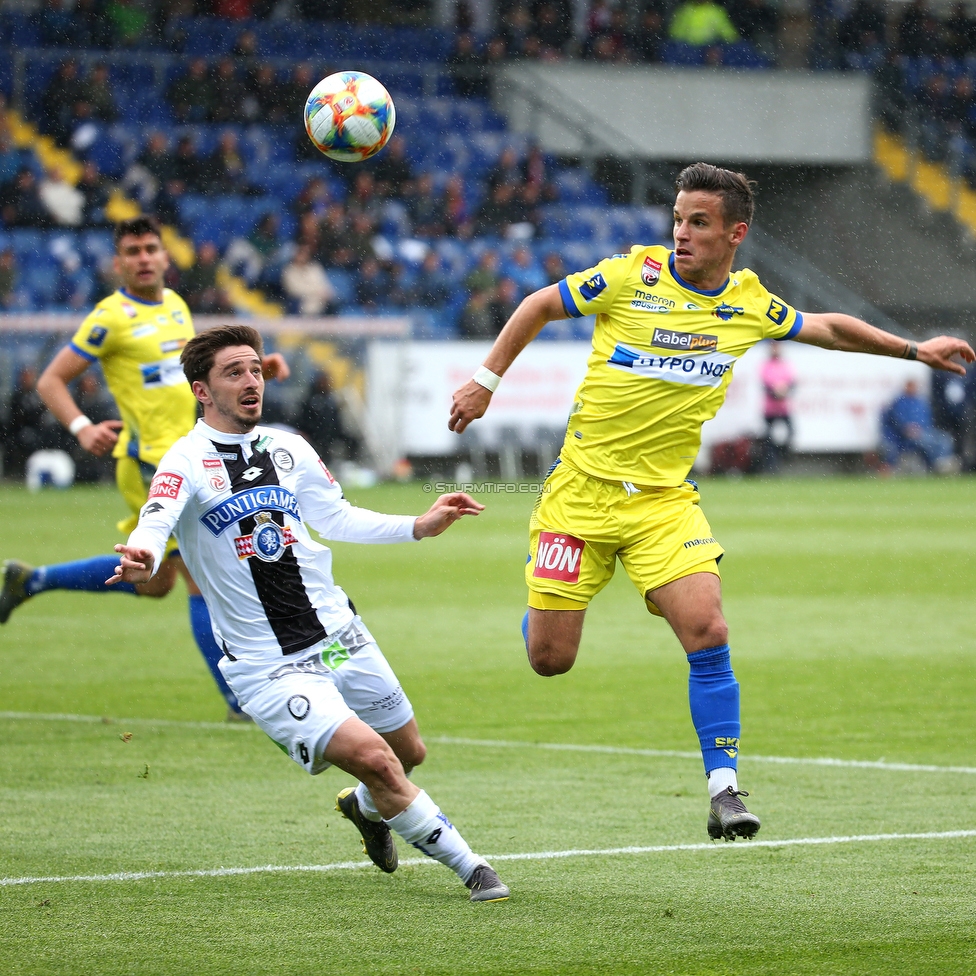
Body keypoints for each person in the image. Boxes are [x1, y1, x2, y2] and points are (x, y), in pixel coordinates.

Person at [449, 162, 975, 841]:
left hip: (664, 504)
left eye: (698, 223)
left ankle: (725, 789)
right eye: (677, 220)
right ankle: (544, 602)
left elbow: (829, 328)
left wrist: (914, 349)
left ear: (735, 233)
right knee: (551, 659)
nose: (682, 234)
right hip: (578, 497)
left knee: (709, 629)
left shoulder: (749, 302)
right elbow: (538, 305)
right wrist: (486, 380)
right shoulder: (629, 275)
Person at [108, 324, 510, 903]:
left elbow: (338, 517)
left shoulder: (288, 447)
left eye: (255, 369)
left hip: (339, 633)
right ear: (201, 391)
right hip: (270, 665)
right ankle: (473, 868)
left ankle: (366, 812)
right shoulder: (186, 461)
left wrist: (417, 526)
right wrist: (144, 554)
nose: (251, 382)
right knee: (375, 759)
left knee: (406, 754)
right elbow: (157, 519)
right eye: (234, 373)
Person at [0, 216, 290, 722]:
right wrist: (81, 427)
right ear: (118, 263)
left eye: (150, 248)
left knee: (156, 583)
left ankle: (32, 580)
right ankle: (238, 702)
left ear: (164, 256)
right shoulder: (110, 318)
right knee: (203, 576)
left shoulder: (175, 305)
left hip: (188, 456)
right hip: (151, 464)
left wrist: (256, 370)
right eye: (132, 251)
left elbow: (190, 375)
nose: (143, 258)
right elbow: (51, 379)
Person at [880, 378, 957, 473]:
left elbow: (927, 419)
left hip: (925, 431)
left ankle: (943, 460)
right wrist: (908, 429)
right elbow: (899, 421)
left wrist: (924, 429)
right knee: (927, 443)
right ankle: (937, 465)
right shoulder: (899, 403)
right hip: (910, 435)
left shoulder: (920, 401)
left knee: (946, 439)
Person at [760, 342, 796, 471]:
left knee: (790, 434)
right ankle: (771, 466)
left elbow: (792, 384)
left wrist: (783, 391)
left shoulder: (785, 365)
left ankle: (782, 456)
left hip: (784, 408)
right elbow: (765, 386)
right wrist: (776, 392)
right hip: (770, 409)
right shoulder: (766, 366)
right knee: (769, 440)